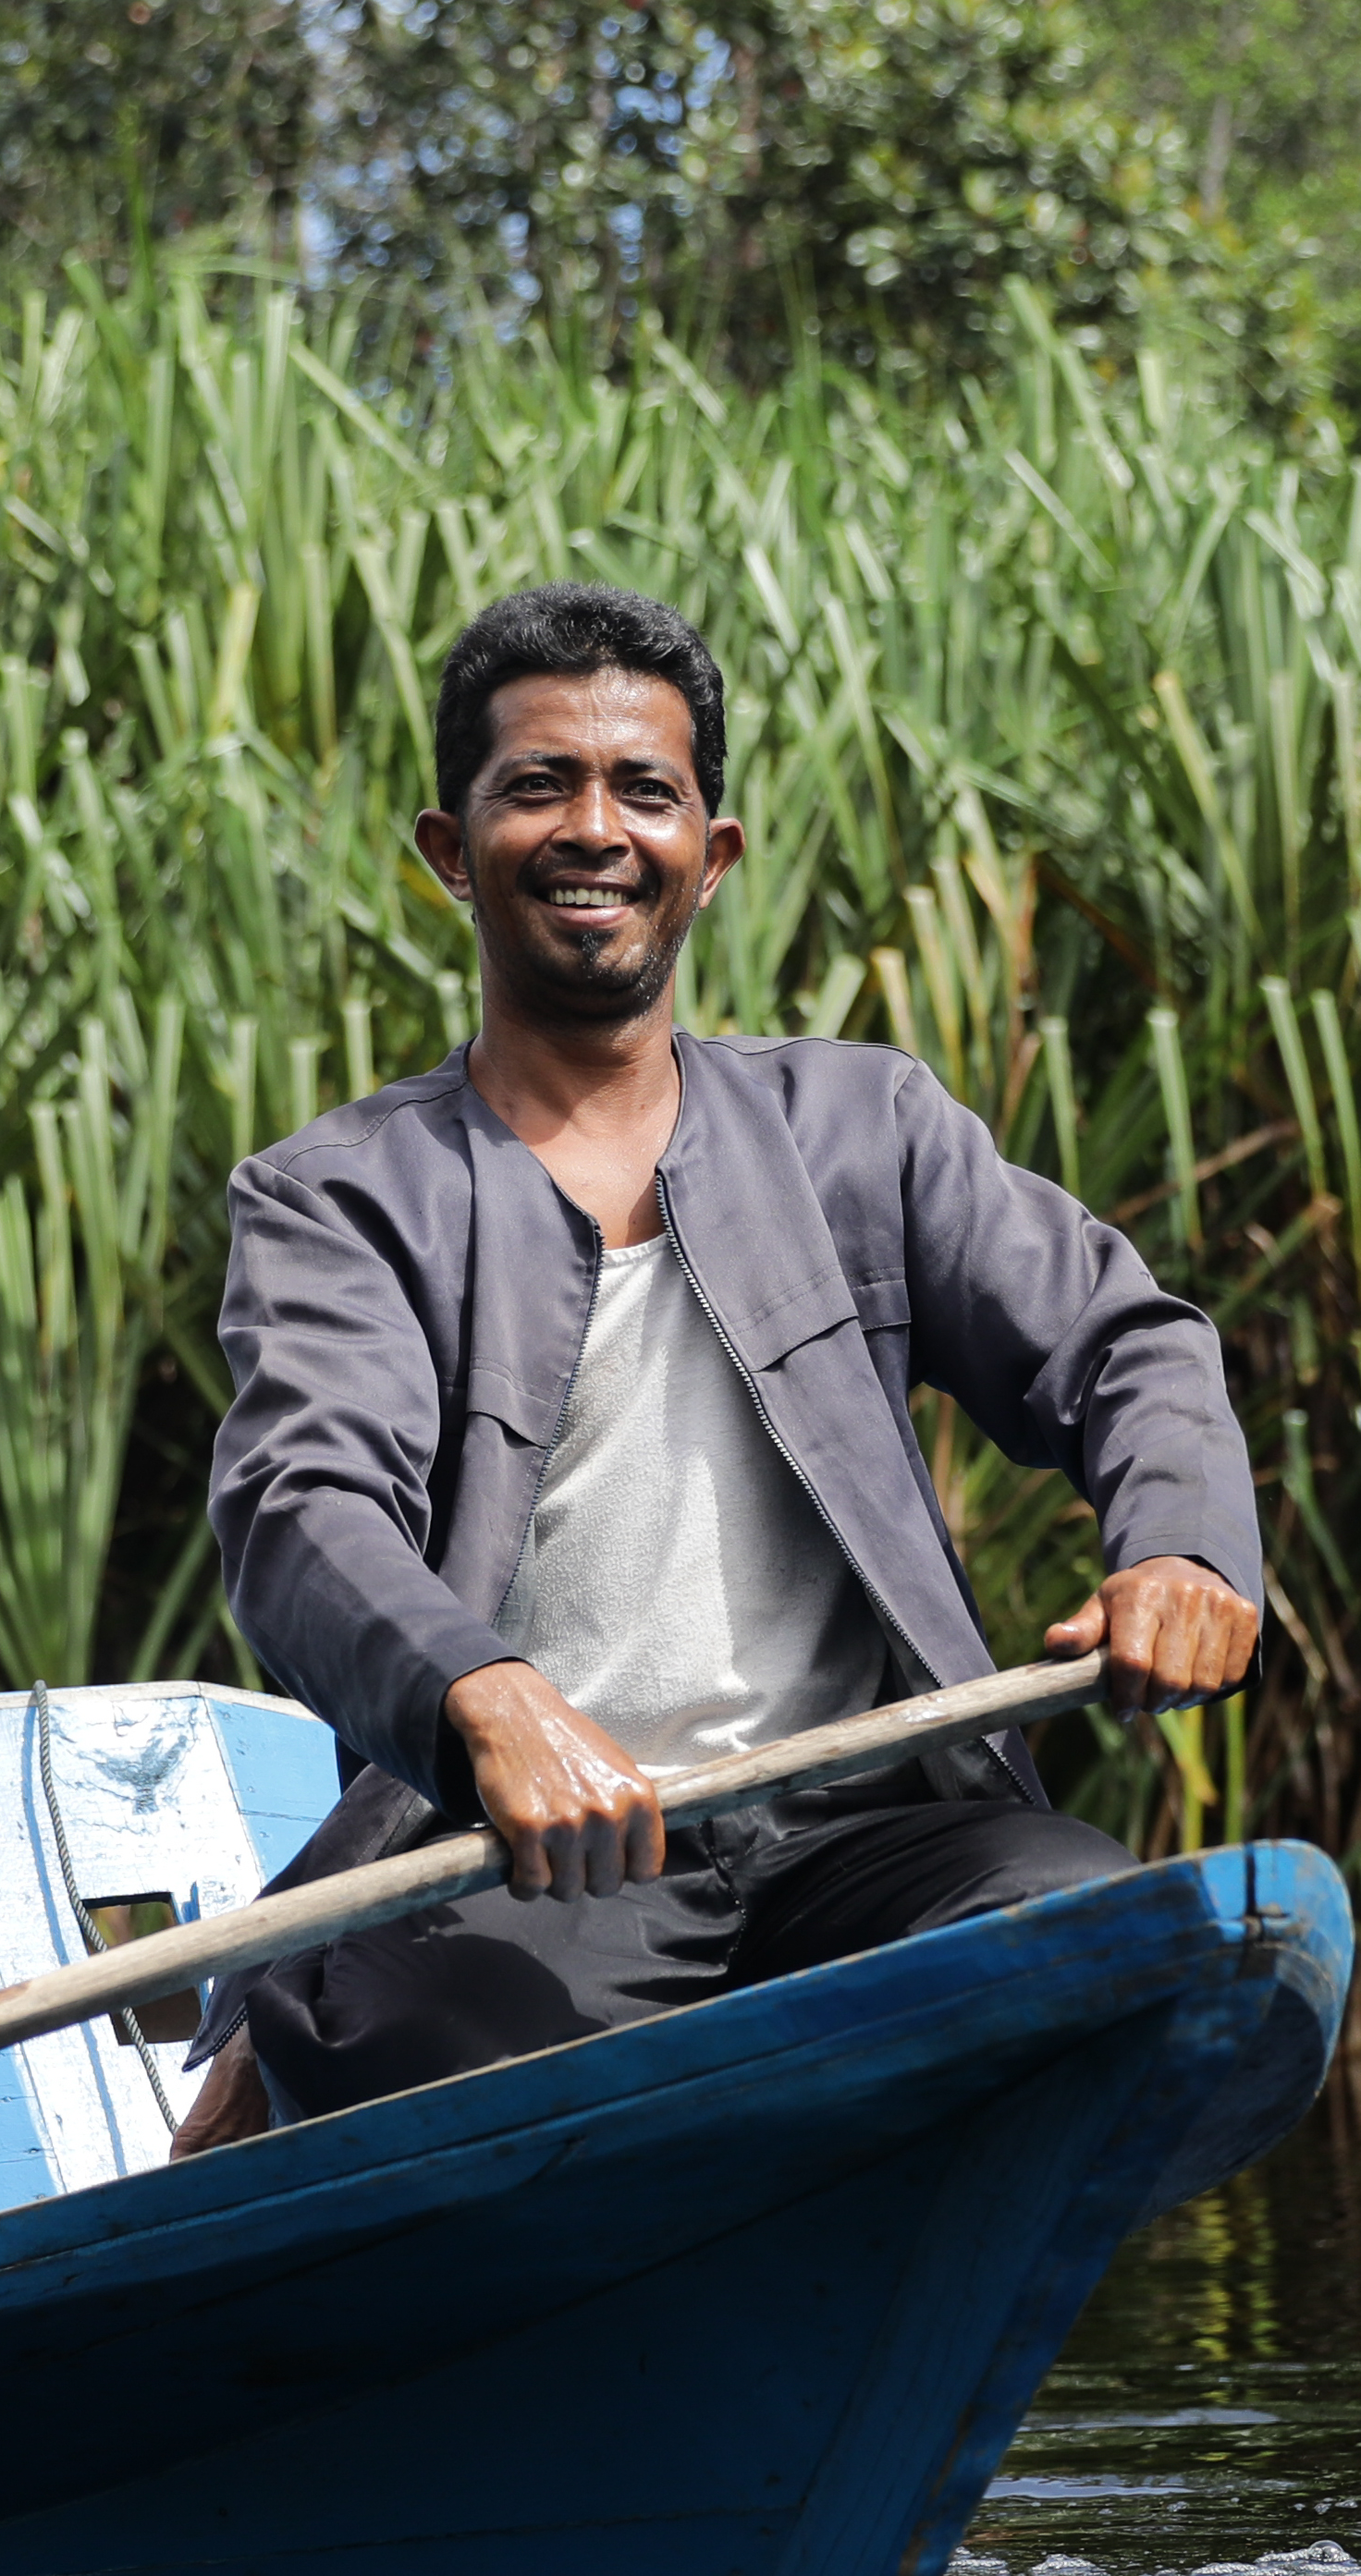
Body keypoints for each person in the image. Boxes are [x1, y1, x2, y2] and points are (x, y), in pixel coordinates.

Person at [173, 583, 1263, 2153]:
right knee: (444, 2061)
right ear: (444, 851)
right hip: (535, 1873)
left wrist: (1180, 1547)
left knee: (1075, 1927)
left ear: (713, 853)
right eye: (536, 784)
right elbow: (300, 1500)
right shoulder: (339, 1194)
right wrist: (480, 1697)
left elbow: (1122, 1342)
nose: (592, 828)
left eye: (645, 791)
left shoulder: (860, 1127)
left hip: (871, 1831)